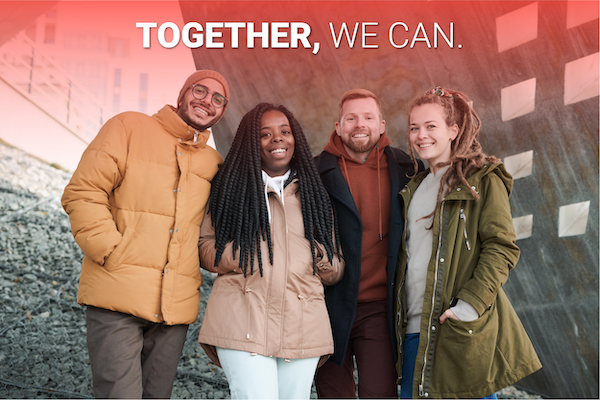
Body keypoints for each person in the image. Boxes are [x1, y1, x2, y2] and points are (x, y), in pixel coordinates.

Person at [61, 69, 230, 398]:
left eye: (218, 99)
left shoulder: (213, 163)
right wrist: (111, 251)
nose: (207, 101)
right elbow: (82, 193)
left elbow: (211, 230)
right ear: (182, 95)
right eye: (199, 90)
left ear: (222, 112)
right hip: (117, 298)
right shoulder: (128, 127)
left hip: (173, 312)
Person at [396, 86, 542, 398]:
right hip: (414, 330)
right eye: (414, 128)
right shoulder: (413, 188)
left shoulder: (482, 178)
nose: (421, 135)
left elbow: (501, 247)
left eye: (431, 126)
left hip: (456, 328)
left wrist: (469, 306)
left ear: (453, 130)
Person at [198, 103, 345, 399]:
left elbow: (336, 267)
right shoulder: (231, 189)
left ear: (295, 139)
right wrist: (246, 255)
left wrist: (317, 258)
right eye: (265, 134)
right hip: (242, 319)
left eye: (285, 132)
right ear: (252, 143)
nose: (277, 139)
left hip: (302, 322)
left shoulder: (315, 194)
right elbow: (205, 248)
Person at [314, 89, 424, 398]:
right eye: (351, 118)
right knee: (334, 394)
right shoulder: (314, 172)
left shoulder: (408, 170)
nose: (359, 124)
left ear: (382, 125)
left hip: (379, 307)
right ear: (338, 126)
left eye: (367, 117)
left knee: (379, 392)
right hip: (327, 305)